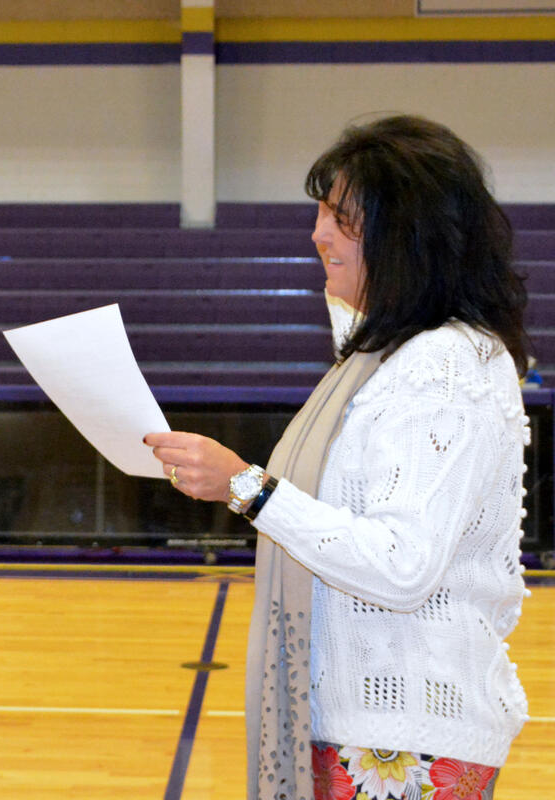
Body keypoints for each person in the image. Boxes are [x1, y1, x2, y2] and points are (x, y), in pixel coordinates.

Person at [146, 115, 530, 800]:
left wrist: (247, 485)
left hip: (404, 736)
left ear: (404, 235)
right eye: (321, 212)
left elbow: (403, 566)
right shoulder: (395, 355)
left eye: (341, 217)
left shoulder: (442, 365)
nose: (317, 233)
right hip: (376, 725)